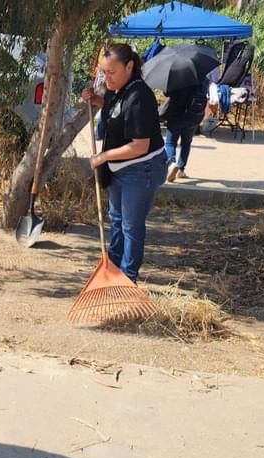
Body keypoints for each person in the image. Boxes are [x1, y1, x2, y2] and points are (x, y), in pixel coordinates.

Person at [82, 43, 167, 282]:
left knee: (131, 225)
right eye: (103, 72)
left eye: (111, 72)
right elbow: (114, 110)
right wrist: (95, 99)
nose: (106, 78)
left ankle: (129, 277)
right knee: (116, 219)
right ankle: (113, 266)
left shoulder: (140, 96)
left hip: (142, 167)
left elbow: (139, 145)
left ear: (129, 67)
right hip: (120, 166)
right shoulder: (115, 88)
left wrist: (104, 157)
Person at [161, 79, 207, 181]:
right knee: (186, 143)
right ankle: (181, 170)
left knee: (170, 143)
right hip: (193, 116)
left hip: (175, 115)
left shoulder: (177, 76)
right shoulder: (203, 78)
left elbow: (167, 93)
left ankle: (171, 164)